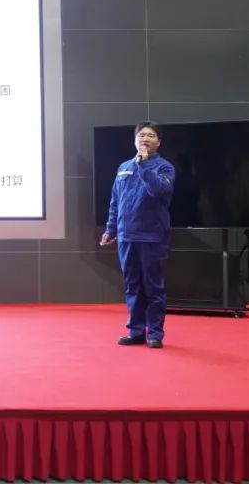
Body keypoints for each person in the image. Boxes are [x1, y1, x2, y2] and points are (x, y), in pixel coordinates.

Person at [100, 121, 175, 349]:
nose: (145, 139)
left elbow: (158, 190)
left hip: (152, 237)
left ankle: (155, 334)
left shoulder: (164, 168)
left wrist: (143, 166)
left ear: (158, 142)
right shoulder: (123, 167)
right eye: (141, 135)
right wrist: (111, 229)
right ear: (135, 140)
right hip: (126, 237)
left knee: (153, 287)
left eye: (151, 135)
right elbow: (115, 201)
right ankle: (135, 331)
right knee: (132, 286)